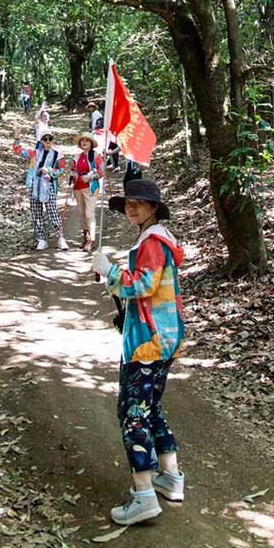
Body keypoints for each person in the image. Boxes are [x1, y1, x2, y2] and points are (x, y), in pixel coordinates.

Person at [91, 179, 185, 526]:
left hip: (148, 342)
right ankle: (170, 477)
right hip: (163, 335)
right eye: (128, 203)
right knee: (150, 407)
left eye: (138, 203)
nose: (131, 208)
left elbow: (142, 285)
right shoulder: (158, 239)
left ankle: (144, 495)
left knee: (132, 412)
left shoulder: (153, 241)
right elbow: (155, 288)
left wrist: (110, 271)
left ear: (154, 208)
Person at [12, 126, 68, 251]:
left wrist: (49, 170)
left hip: (49, 186)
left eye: (50, 139)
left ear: (52, 140)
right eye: (45, 139)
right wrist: (16, 137)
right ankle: (41, 239)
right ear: (41, 141)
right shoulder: (35, 153)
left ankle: (60, 238)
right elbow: (19, 150)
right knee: (36, 213)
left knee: (52, 212)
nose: (48, 141)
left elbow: (61, 170)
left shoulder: (58, 156)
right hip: (34, 185)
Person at [69, 131, 104, 252]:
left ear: (91, 143)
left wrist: (90, 176)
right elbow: (73, 170)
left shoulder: (96, 156)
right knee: (82, 214)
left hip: (91, 188)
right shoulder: (77, 157)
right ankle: (86, 236)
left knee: (89, 214)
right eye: (82, 140)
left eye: (87, 140)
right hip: (78, 188)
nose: (84, 142)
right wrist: (73, 174)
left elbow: (102, 171)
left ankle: (91, 240)